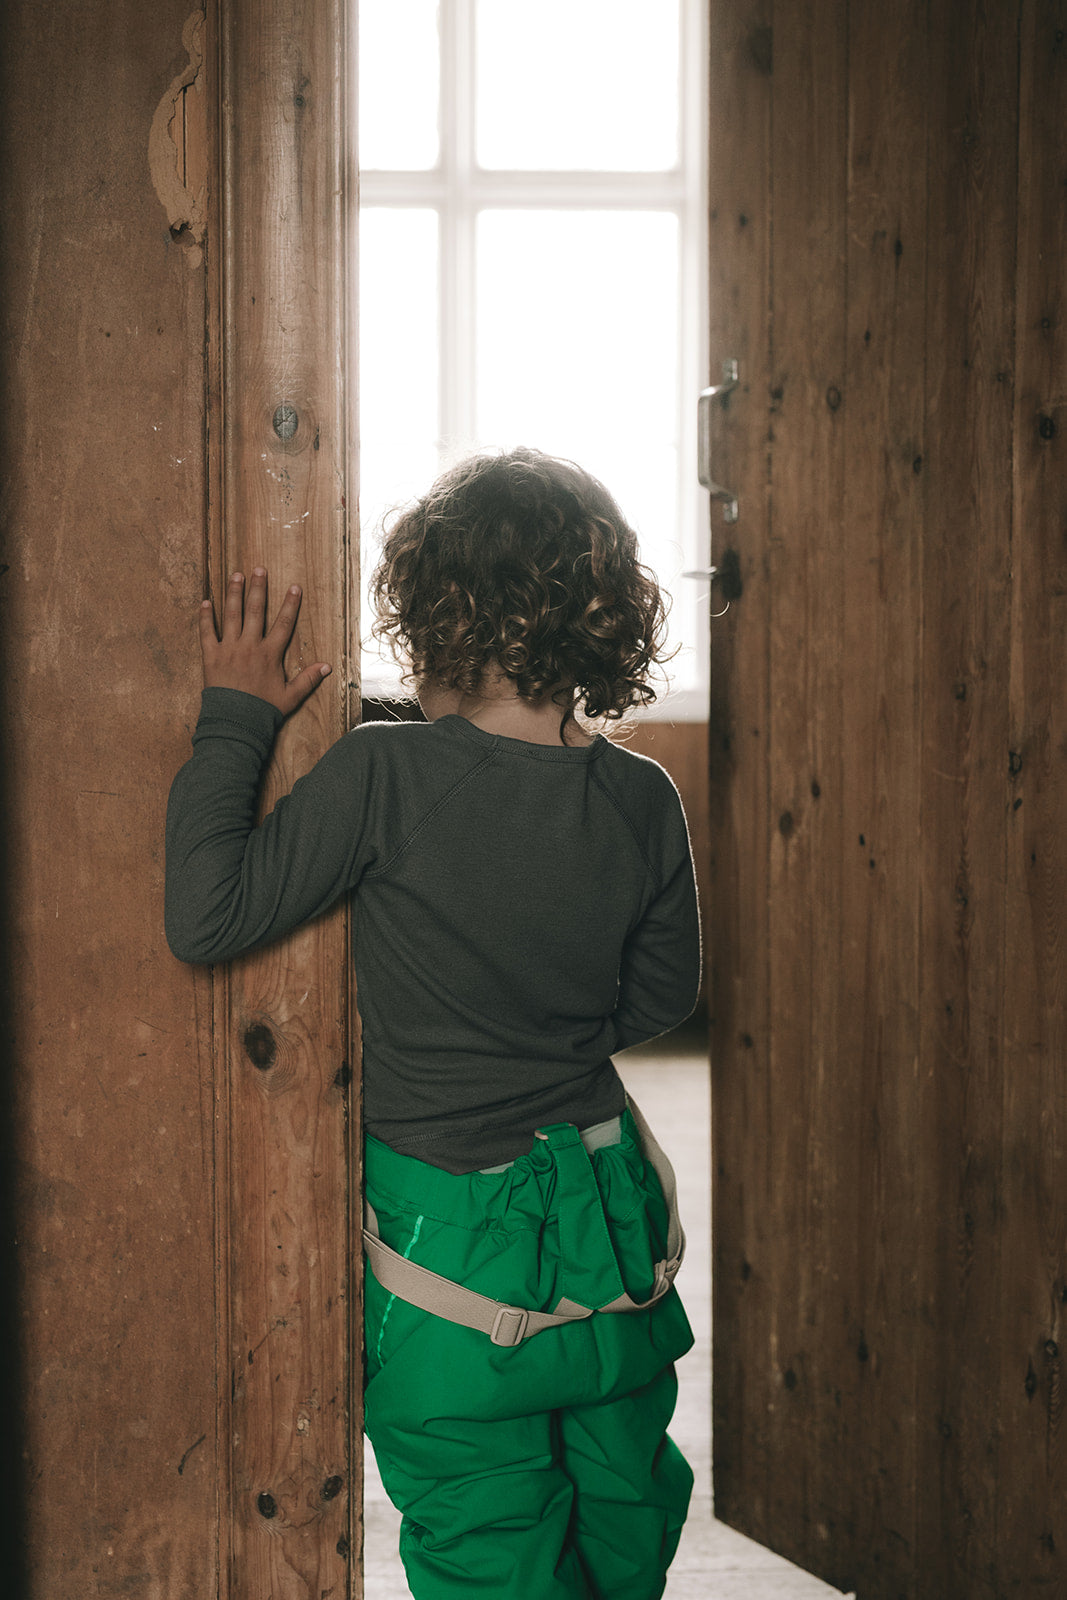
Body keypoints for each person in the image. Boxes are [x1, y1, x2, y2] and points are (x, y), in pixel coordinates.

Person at [165, 447, 701, 1599]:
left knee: (485, 1538)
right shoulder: (644, 795)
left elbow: (207, 915)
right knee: (623, 1506)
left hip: (449, 1245)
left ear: (433, 618)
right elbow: (661, 998)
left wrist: (237, 716)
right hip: (610, 1220)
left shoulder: (385, 774)